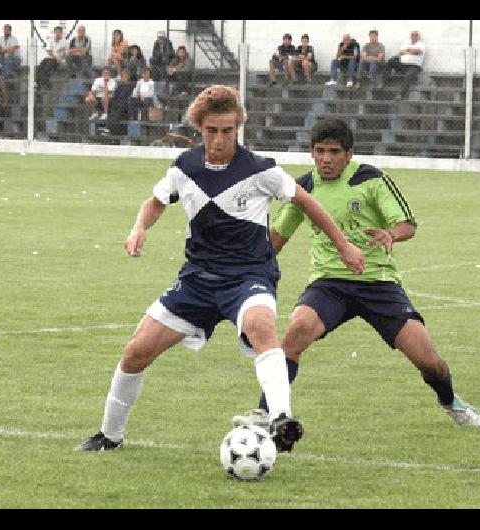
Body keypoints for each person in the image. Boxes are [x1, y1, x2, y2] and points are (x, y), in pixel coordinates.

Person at [76, 85, 366, 453]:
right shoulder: (185, 167)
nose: (219, 139)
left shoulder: (262, 170)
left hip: (249, 278)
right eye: (212, 130)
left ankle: (280, 418)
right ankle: (109, 436)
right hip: (197, 281)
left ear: (238, 127)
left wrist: (343, 245)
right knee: (136, 352)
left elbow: (308, 203)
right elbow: (155, 202)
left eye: (228, 131)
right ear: (199, 128)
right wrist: (138, 228)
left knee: (262, 327)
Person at [230, 118, 480, 429]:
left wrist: (391, 234)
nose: (326, 159)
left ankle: (450, 401)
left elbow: (407, 225)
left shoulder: (371, 179)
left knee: (428, 359)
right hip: (329, 284)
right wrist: (244, 268)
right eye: (320, 151)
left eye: (334, 152)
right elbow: (275, 240)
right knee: (296, 333)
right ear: (311, 153)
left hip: (378, 283)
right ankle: (265, 412)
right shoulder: (303, 189)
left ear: (349, 154)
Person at [389, 30, 425, 100]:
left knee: (408, 75)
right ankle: (385, 81)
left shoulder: (421, 45)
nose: (414, 36)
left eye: (416, 35)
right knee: (391, 61)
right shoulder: (406, 44)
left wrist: (407, 51)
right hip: (404, 65)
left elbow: (418, 52)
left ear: (418, 37)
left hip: (414, 66)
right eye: (412, 35)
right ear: (410, 36)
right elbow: (399, 52)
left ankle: (400, 94)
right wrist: (411, 51)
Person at [100, 69, 135, 136]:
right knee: (113, 108)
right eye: (121, 76)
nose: (122, 78)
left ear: (128, 77)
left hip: (126, 108)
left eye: (123, 76)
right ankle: (108, 128)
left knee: (118, 109)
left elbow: (131, 98)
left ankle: (108, 128)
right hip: (117, 106)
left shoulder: (132, 86)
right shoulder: (120, 87)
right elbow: (115, 97)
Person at [35, 26, 67, 90]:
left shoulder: (64, 42)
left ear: (61, 33)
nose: (57, 33)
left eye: (59, 32)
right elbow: (49, 51)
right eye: (56, 32)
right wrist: (55, 56)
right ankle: (38, 83)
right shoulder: (50, 40)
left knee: (47, 67)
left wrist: (61, 59)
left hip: (57, 61)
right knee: (40, 67)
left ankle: (46, 83)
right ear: (54, 32)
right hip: (49, 58)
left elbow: (65, 53)